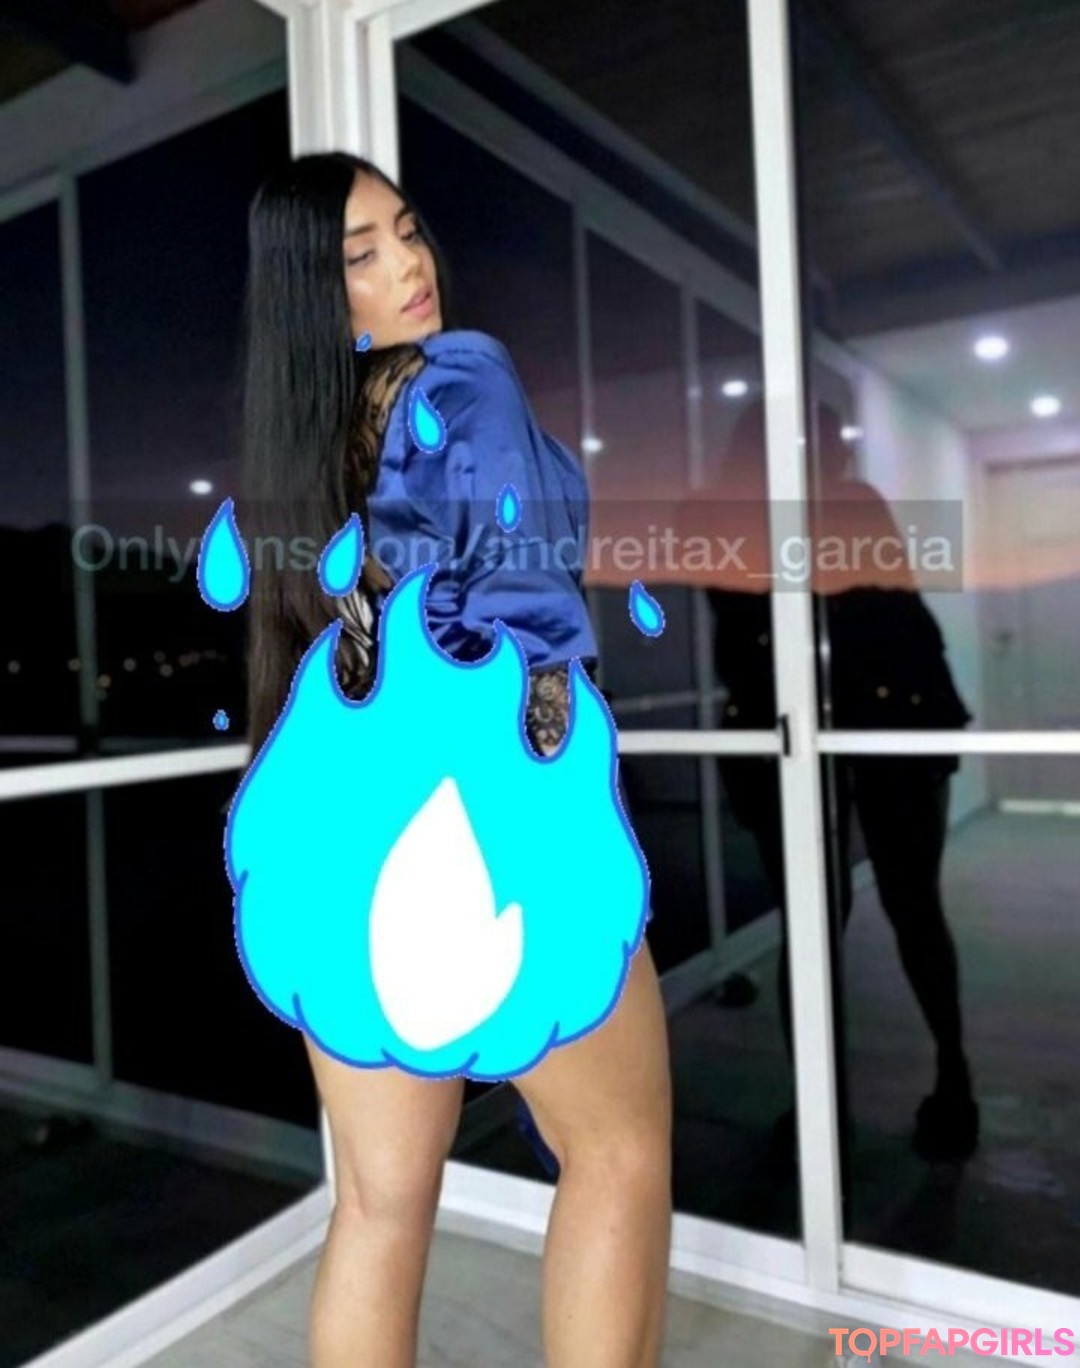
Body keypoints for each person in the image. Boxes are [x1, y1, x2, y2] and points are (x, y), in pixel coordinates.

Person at [237, 151, 673, 1368]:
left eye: (408, 230)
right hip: (485, 816)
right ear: (315, 293)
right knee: (617, 1154)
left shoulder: (301, 442)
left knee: (378, 1210)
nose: (410, 264)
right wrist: (560, 760)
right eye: (361, 255)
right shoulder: (463, 375)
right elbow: (525, 598)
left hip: (339, 837)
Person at [702, 399, 979, 1165]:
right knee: (818, 921)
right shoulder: (730, 515)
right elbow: (746, 627)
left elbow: (883, 612)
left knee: (908, 905)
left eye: (824, 442)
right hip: (799, 732)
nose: (823, 454)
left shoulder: (848, 505)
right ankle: (820, 1103)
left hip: (886, 721)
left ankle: (950, 1077)